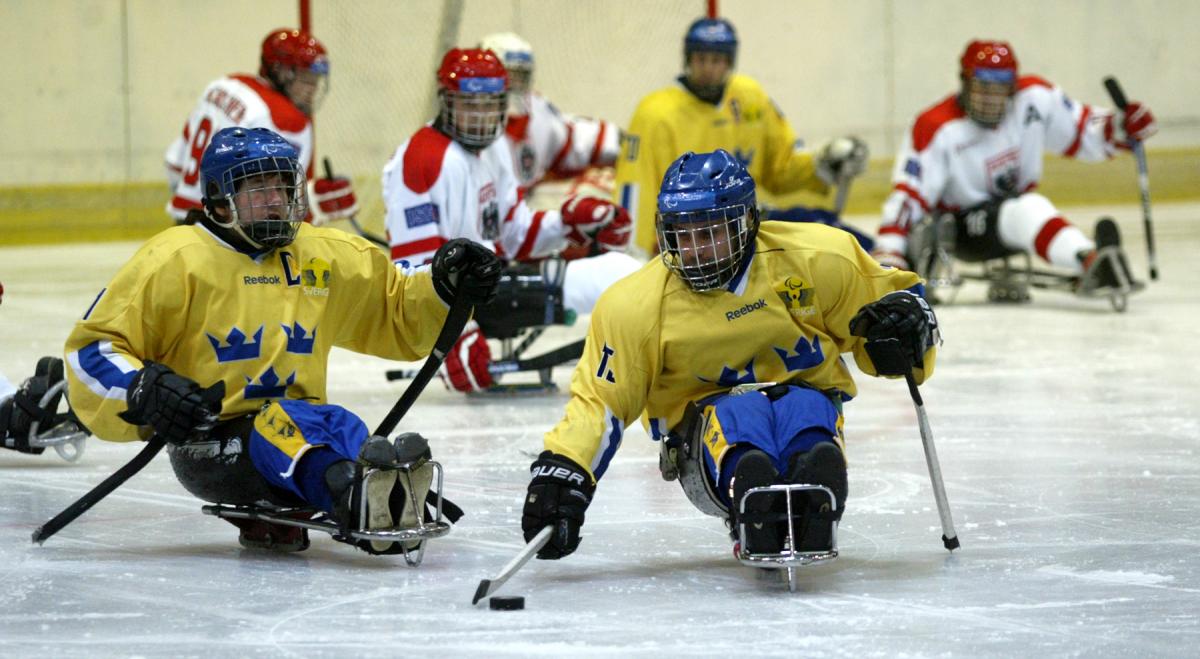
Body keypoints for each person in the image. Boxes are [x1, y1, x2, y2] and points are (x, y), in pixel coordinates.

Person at [66, 127, 500, 553]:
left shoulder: (319, 253)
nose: (276, 199)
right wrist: (144, 389)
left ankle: (377, 488)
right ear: (220, 199)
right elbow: (92, 350)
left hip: (303, 422)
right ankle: (352, 495)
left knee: (341, 423)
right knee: (280, 428)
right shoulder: (174, 260)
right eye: (258, 185)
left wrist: (444, 284)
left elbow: (397, 308)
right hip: (213, 442)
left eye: (283, 184)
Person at [520, 149, 940, 561]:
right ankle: (750, 485)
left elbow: (892, 304)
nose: (695, 249)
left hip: (809, 398)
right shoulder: (634, 305)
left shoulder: (819, 260)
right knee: (741, 419)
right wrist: (566, 470)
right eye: (682, 235)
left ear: (748, 222)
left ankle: (815, 484)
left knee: (806, 407)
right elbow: (602, 401)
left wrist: (904, 331)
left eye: (710, 233)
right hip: (701, 441)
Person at [382, 47, 642, 393]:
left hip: (497, 283)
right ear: (446, 101)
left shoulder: (496, 148)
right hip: (461, 302)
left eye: (490, 104)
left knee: (625, 270)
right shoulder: (420, 158)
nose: (480, 116)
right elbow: (412, 267)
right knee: (622, 277)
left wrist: (566, 224)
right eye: (469, 105)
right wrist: (455, 334)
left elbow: (514, 232)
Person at [873, 40, 1157, 294]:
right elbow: (908, 196)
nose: (991, 97)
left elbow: (1082, 130)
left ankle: (1094, 262)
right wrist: (890, 254)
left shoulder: (1034, 98)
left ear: (1013, 86)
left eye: (1000, 87)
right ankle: (1090, 260)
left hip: (1012, 214)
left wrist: (1121, 126)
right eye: (983, 85)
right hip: (958, 230)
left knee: (1024, 207)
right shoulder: (936, 126)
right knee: (1027, 208)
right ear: (965, 82)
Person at [613, 16, 869, 255]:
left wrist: (822, 165)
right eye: (701, 59)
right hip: (692, 234)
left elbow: (781, 166)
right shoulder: (655, 114)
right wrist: (631, 253)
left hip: (750, 221)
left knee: (844, 240)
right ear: (688, 59)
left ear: (729, 62)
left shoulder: (749, 98)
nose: (708, 68)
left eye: (717, 60)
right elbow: (635, 186)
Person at [164, 28, 358, 227]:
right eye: (306, 79)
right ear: (279, 71)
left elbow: (173, 161)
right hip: (229, 233)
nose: (313, 89)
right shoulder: (286, 120)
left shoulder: (222, 85)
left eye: (316, 81)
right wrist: (315, 200)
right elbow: (277, 200)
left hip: (184, 222)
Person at [478, 32, 621, 198]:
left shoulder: (538, 110)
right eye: (507, 76)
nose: (514, 86)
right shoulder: (465, 125)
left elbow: (574, 140)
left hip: (521, 213)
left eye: (520, 77)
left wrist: (626, 142)